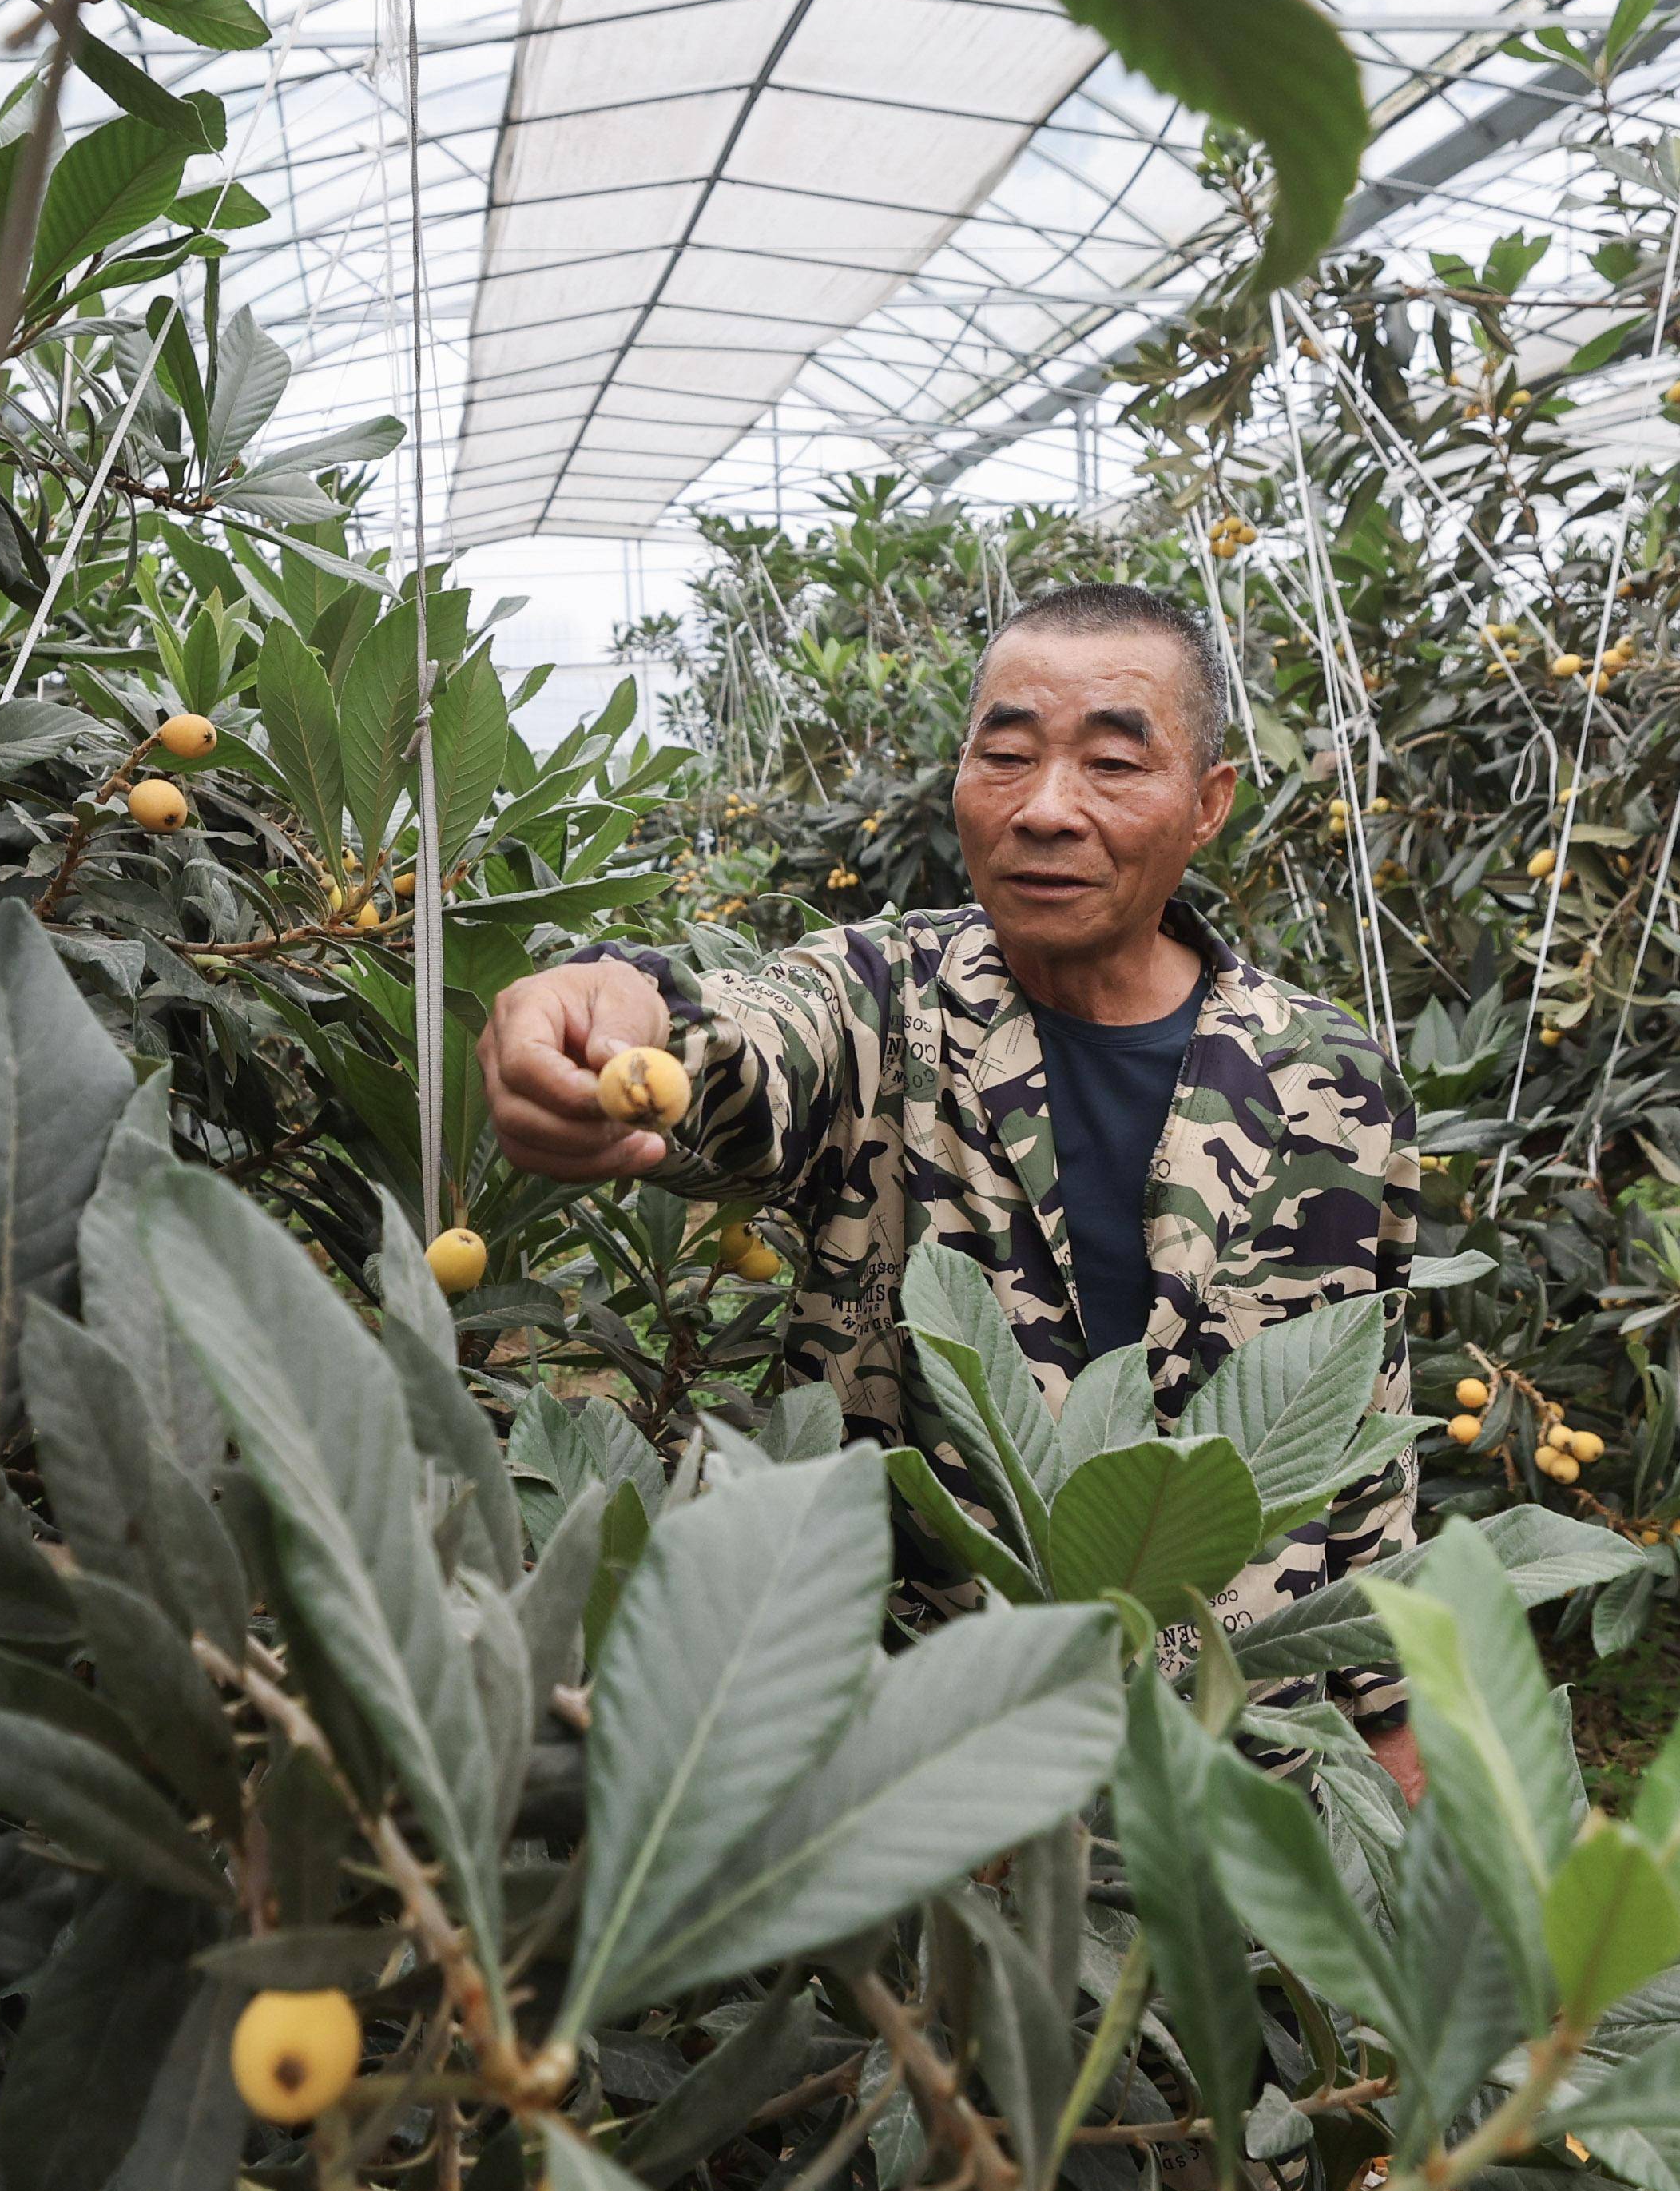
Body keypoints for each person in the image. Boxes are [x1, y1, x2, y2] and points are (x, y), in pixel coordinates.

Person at [479, 581, 1424, 1799]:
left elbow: (1360, 1417)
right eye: (1008, 754)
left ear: (1208, 805)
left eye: (1112, 765)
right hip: (908, 1738)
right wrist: (618, 1021)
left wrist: (1391, 1720)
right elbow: (748, 1048)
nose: (1045, 811)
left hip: (1233, 1748)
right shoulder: (885, 1002)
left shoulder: (1330, 1080)